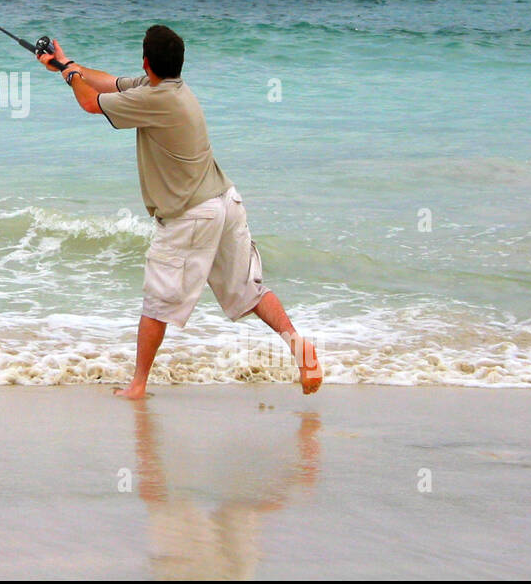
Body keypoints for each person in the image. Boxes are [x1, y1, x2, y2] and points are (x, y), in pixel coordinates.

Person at [38, 25, 322, 398]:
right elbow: (106, 83)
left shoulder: (154, 100)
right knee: (247, 290)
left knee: (157, 300)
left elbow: (91, 102)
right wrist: (67, 63)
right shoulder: (167, 89)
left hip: (192, 213)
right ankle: (300, 348)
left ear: (146, 61)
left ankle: (137, 386)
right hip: (224, 201)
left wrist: (69, 76)